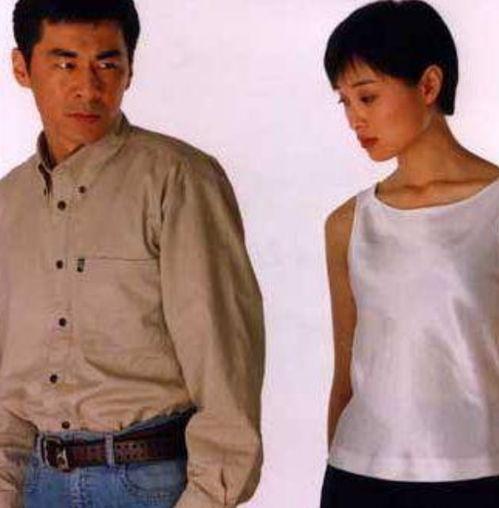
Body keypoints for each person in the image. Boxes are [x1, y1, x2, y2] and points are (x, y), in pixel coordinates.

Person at [0, 0, 265, 507]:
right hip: (36, 484)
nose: (88, 87)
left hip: (148, 485)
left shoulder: (178, 180)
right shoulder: (8, 203)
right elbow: (8, 385)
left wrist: (207, 498)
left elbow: (225, 367)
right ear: (21, 67)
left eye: (107, 63)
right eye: (65, 63)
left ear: (130, 69)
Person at [321, 1, 499, 506]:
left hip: (479, 475)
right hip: (359, 476)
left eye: (367, 96)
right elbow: (345, 379)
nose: (354, 118)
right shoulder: (348, 223)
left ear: (428, 85)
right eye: (344, 102)